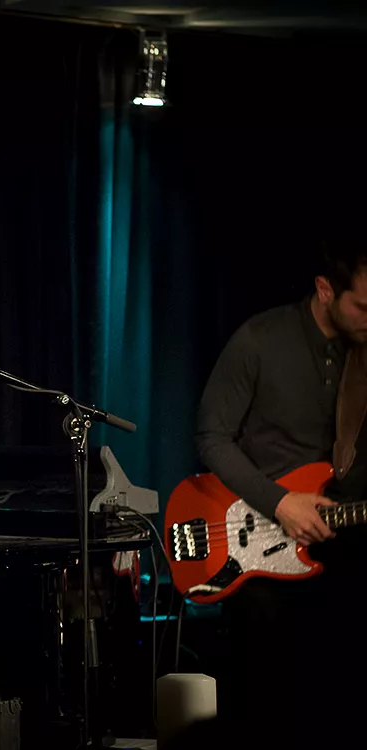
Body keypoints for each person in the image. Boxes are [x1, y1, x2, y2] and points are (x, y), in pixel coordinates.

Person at [193, 239, 366, 748]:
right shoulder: (259, 340)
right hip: (259, 550)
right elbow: (211, 436)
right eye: (362, 306)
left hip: (343, 549)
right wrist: (280, 502)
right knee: (268, 705)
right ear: (325, 290)